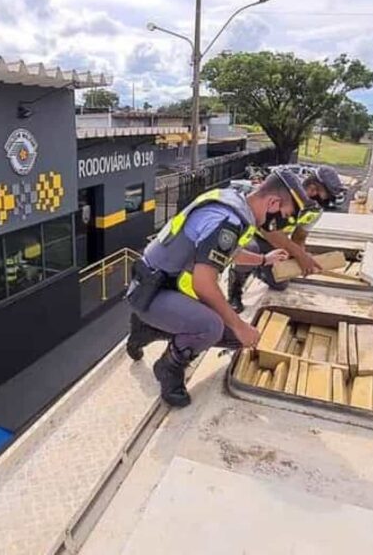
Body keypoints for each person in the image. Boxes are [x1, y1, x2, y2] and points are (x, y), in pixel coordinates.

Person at [125, 171, 312, 407]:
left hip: (163, 287)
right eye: (283, 216)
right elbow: (203, 283)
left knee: (234, 339)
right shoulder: (228, 221)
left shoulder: (233, 204)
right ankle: (168, 367)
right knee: (212, 327)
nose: (280, 224)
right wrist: (240, 325)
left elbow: (226, 254)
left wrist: (264, 260)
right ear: (273, 203)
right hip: (153, 292)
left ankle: (149, 329)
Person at [226, 170, 328, 313]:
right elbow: (271, 234)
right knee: (251, 249)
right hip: (253, 237)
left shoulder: (314, 211)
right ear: (312, 188)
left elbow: (299, 237)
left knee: (280, 284)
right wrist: (301, 256)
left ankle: (257, 268)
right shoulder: (283, 196)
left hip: (277, 244)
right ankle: (235, 291)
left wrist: (297, 260)